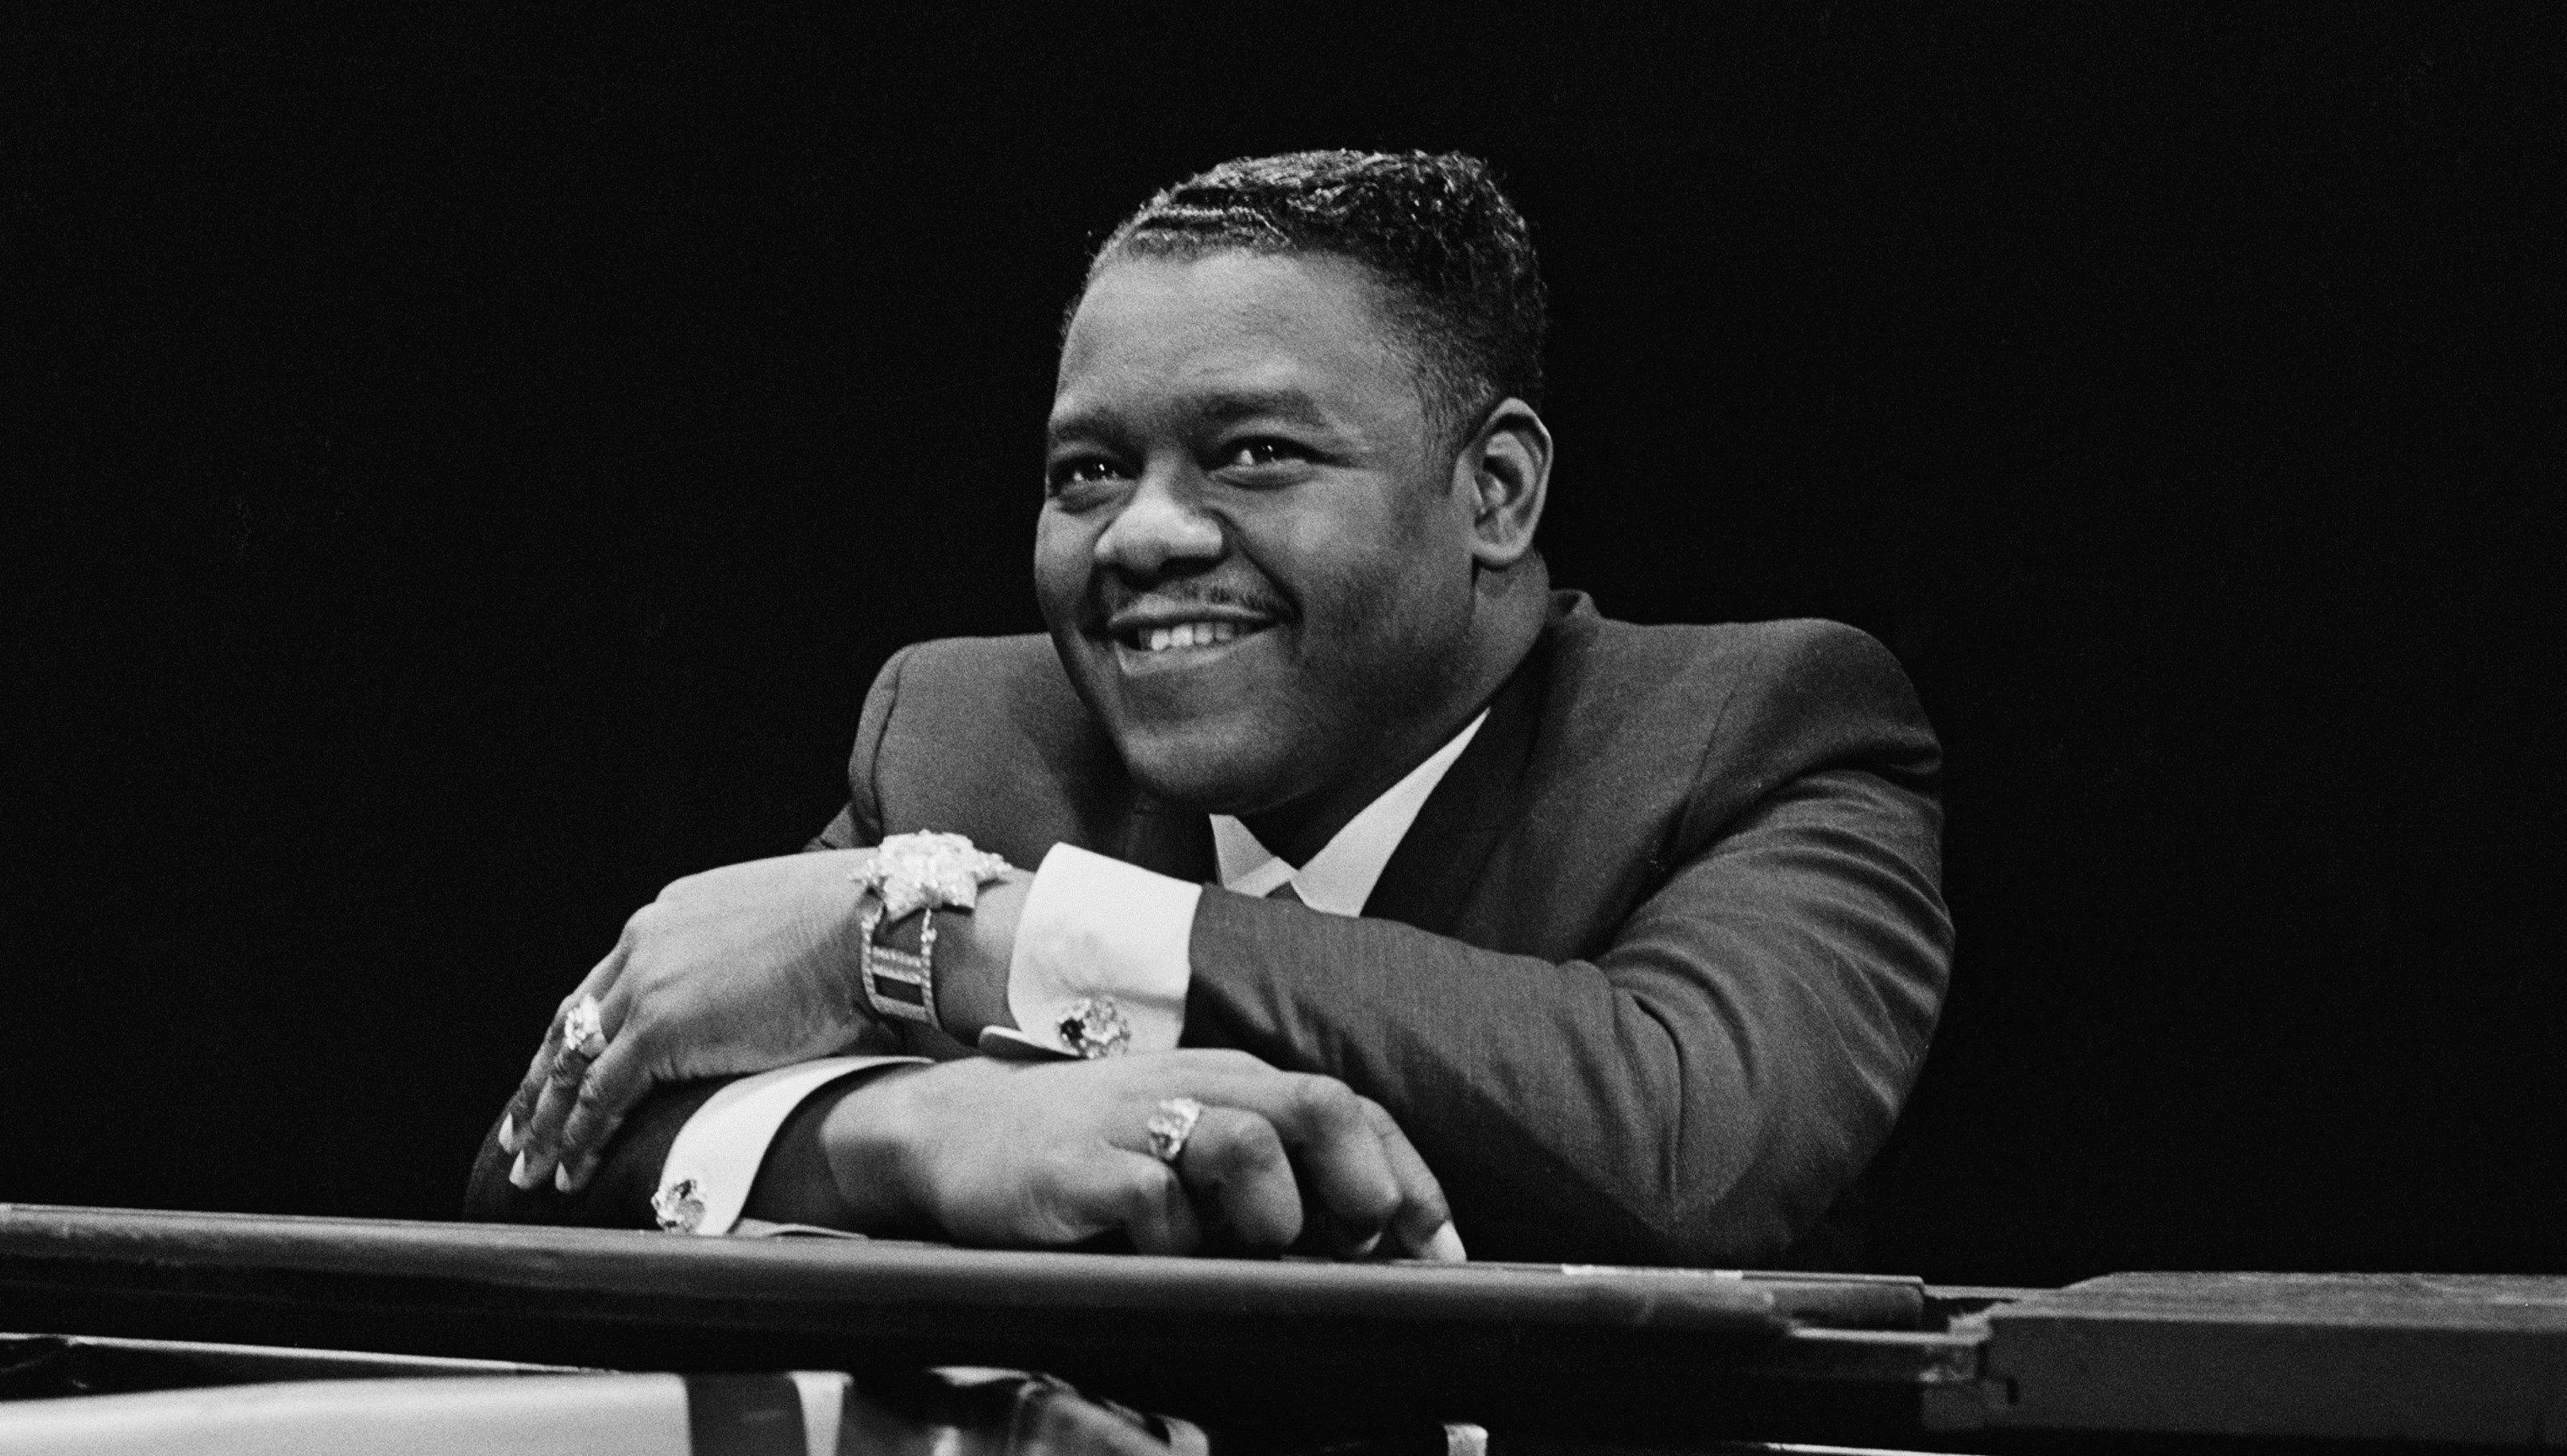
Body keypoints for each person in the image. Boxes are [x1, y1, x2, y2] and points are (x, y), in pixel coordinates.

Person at [466, 149, 1950, 1267]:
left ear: (1491, 492)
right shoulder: (968, 735)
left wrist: (967, 939)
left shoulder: (1760, 730)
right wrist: (908, 1137)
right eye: (1086, 472)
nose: (1140, 536)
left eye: (1249, 455)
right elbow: (546, 1165)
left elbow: (1685, 1144)